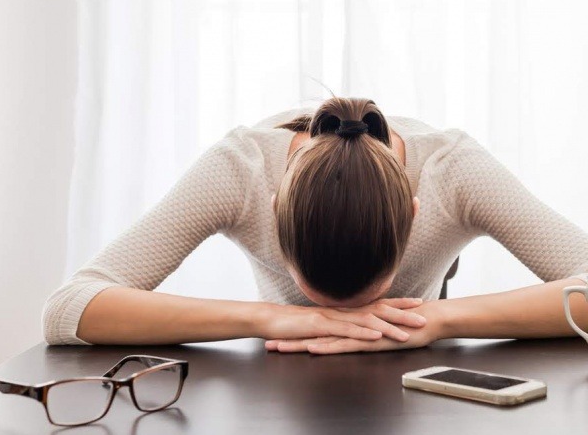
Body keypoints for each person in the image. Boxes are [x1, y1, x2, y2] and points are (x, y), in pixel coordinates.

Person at [41, 96, 588, 353]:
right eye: (329, 304)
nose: (347, 318)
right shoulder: (243, 169)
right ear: (274, 208)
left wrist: (440, 320)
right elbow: (69, 308)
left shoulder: (451, 171)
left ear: (414, 214)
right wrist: (268, 318)